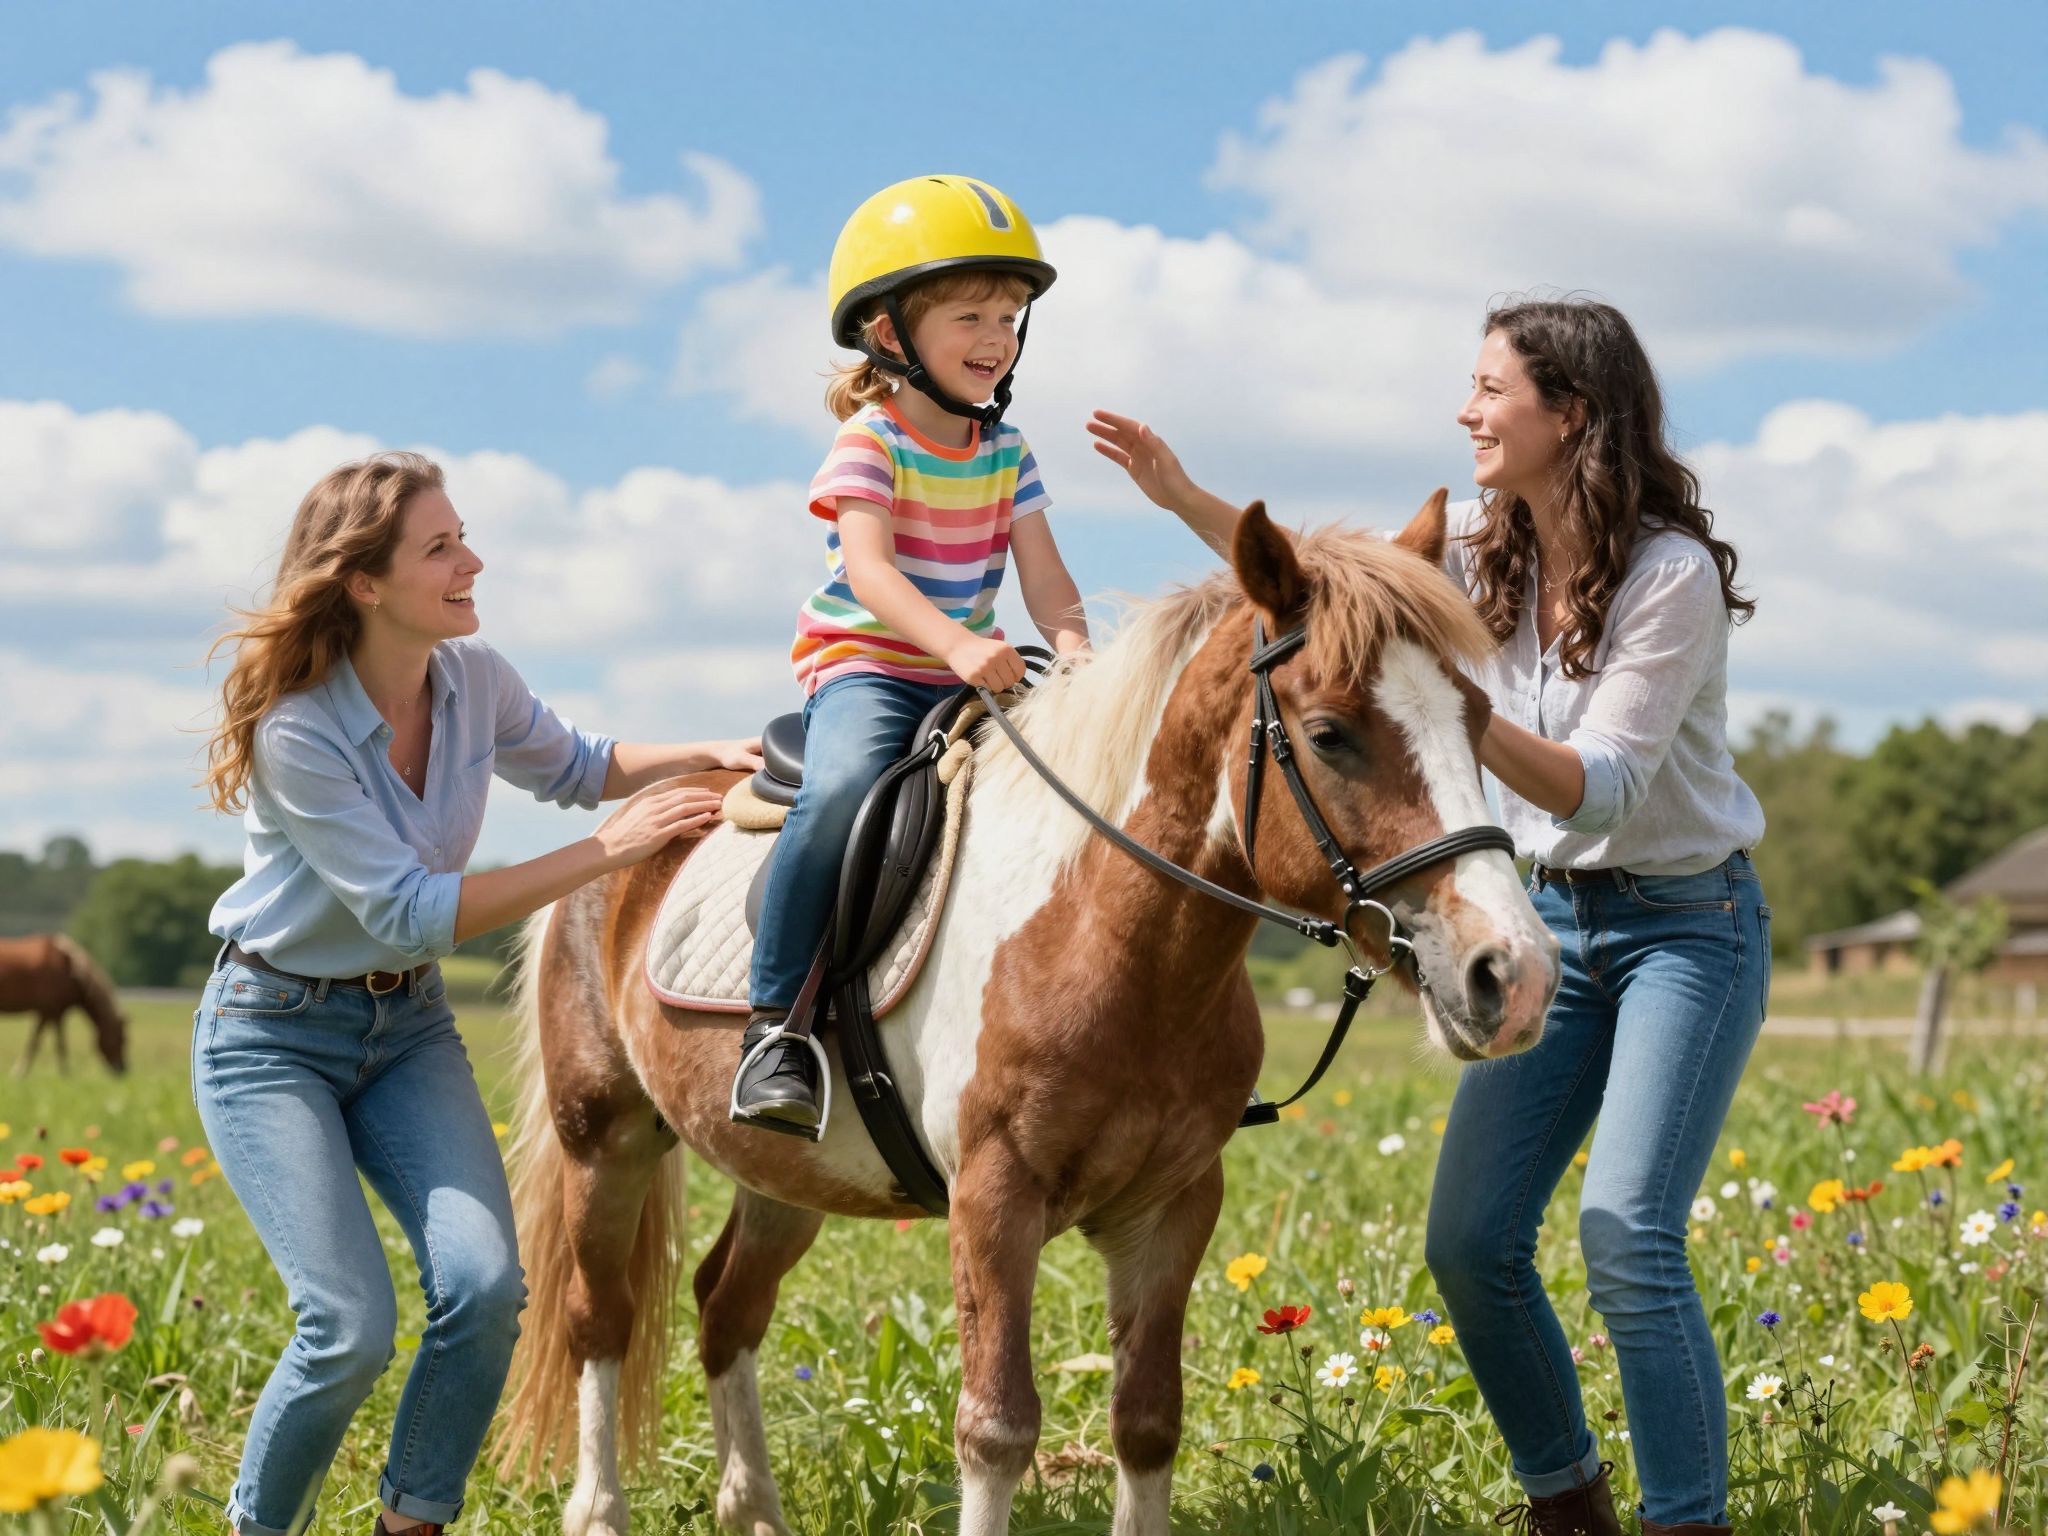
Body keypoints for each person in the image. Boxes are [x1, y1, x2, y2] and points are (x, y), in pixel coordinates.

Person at [1090, 297, 1768, 1536]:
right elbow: (1309, 585)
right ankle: (1566, 1508)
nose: (1464, 411)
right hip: (1544, 919)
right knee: (1469, 1245)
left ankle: (1686, 1522)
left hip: (1684, 925)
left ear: (1568, 416)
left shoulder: (1664, 577)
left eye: (1489, 389)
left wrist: (1435, 703)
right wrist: (1186, 499)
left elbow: (1603, 790)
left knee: (1626, 1235)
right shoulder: (1469, 538)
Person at [196, 451, 761, 1536]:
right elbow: (407, 909)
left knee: (488, 1290)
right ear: (364, 582)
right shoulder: (299, 733)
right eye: (441, 546)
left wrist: (704, 751)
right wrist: (606, 854)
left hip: (402, 1029)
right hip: (268, 1036)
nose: (473, 560)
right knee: (346, 1327)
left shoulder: (473, 680)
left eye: (464, 536)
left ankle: (413, 1523)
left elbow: (581, 762)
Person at [733, 175, 1090, 1137]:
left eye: (1011, 317)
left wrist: (1078, 657)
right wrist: (959, 644)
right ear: (891, 336)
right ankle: (777, 1029)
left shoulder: (1006, 448)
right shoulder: (870, 440)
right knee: (845, 786)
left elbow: (1048, 577)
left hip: (973, 667)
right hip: (873, 664)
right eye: (970, 315)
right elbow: (873, 572)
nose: (997, 337)